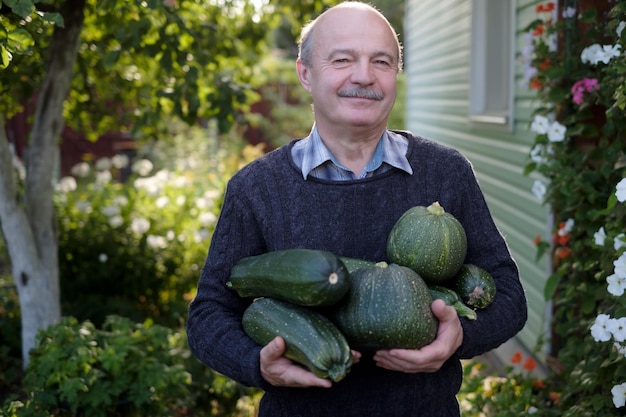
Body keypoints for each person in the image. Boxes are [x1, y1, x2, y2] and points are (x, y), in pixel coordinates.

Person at [187, 2, 528, 416]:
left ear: (396, 76)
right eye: (342, 59)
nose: (364, 76)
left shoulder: (446, 173)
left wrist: (456, 339)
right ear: (305, 74)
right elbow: (209, 314)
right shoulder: (256, 188)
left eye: (381, 61)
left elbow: (508, 297)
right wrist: (258, 363)